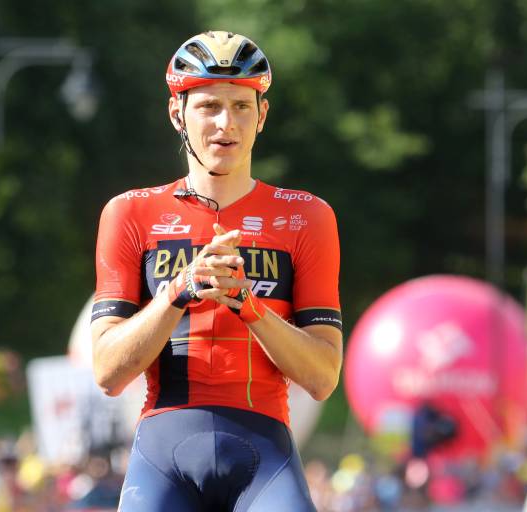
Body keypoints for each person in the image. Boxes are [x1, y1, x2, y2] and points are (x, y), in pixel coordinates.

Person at [89, 30, 343, 511]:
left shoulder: (306, 216)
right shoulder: (130, 213)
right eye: (209, 106)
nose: (226, 123)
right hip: (164, 452)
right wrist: (180, 289)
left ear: (262, 115)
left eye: (241, 106)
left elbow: (323, 378)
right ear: (176, 113)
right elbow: (107, 372)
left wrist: (250, 306)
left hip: (264, 455)